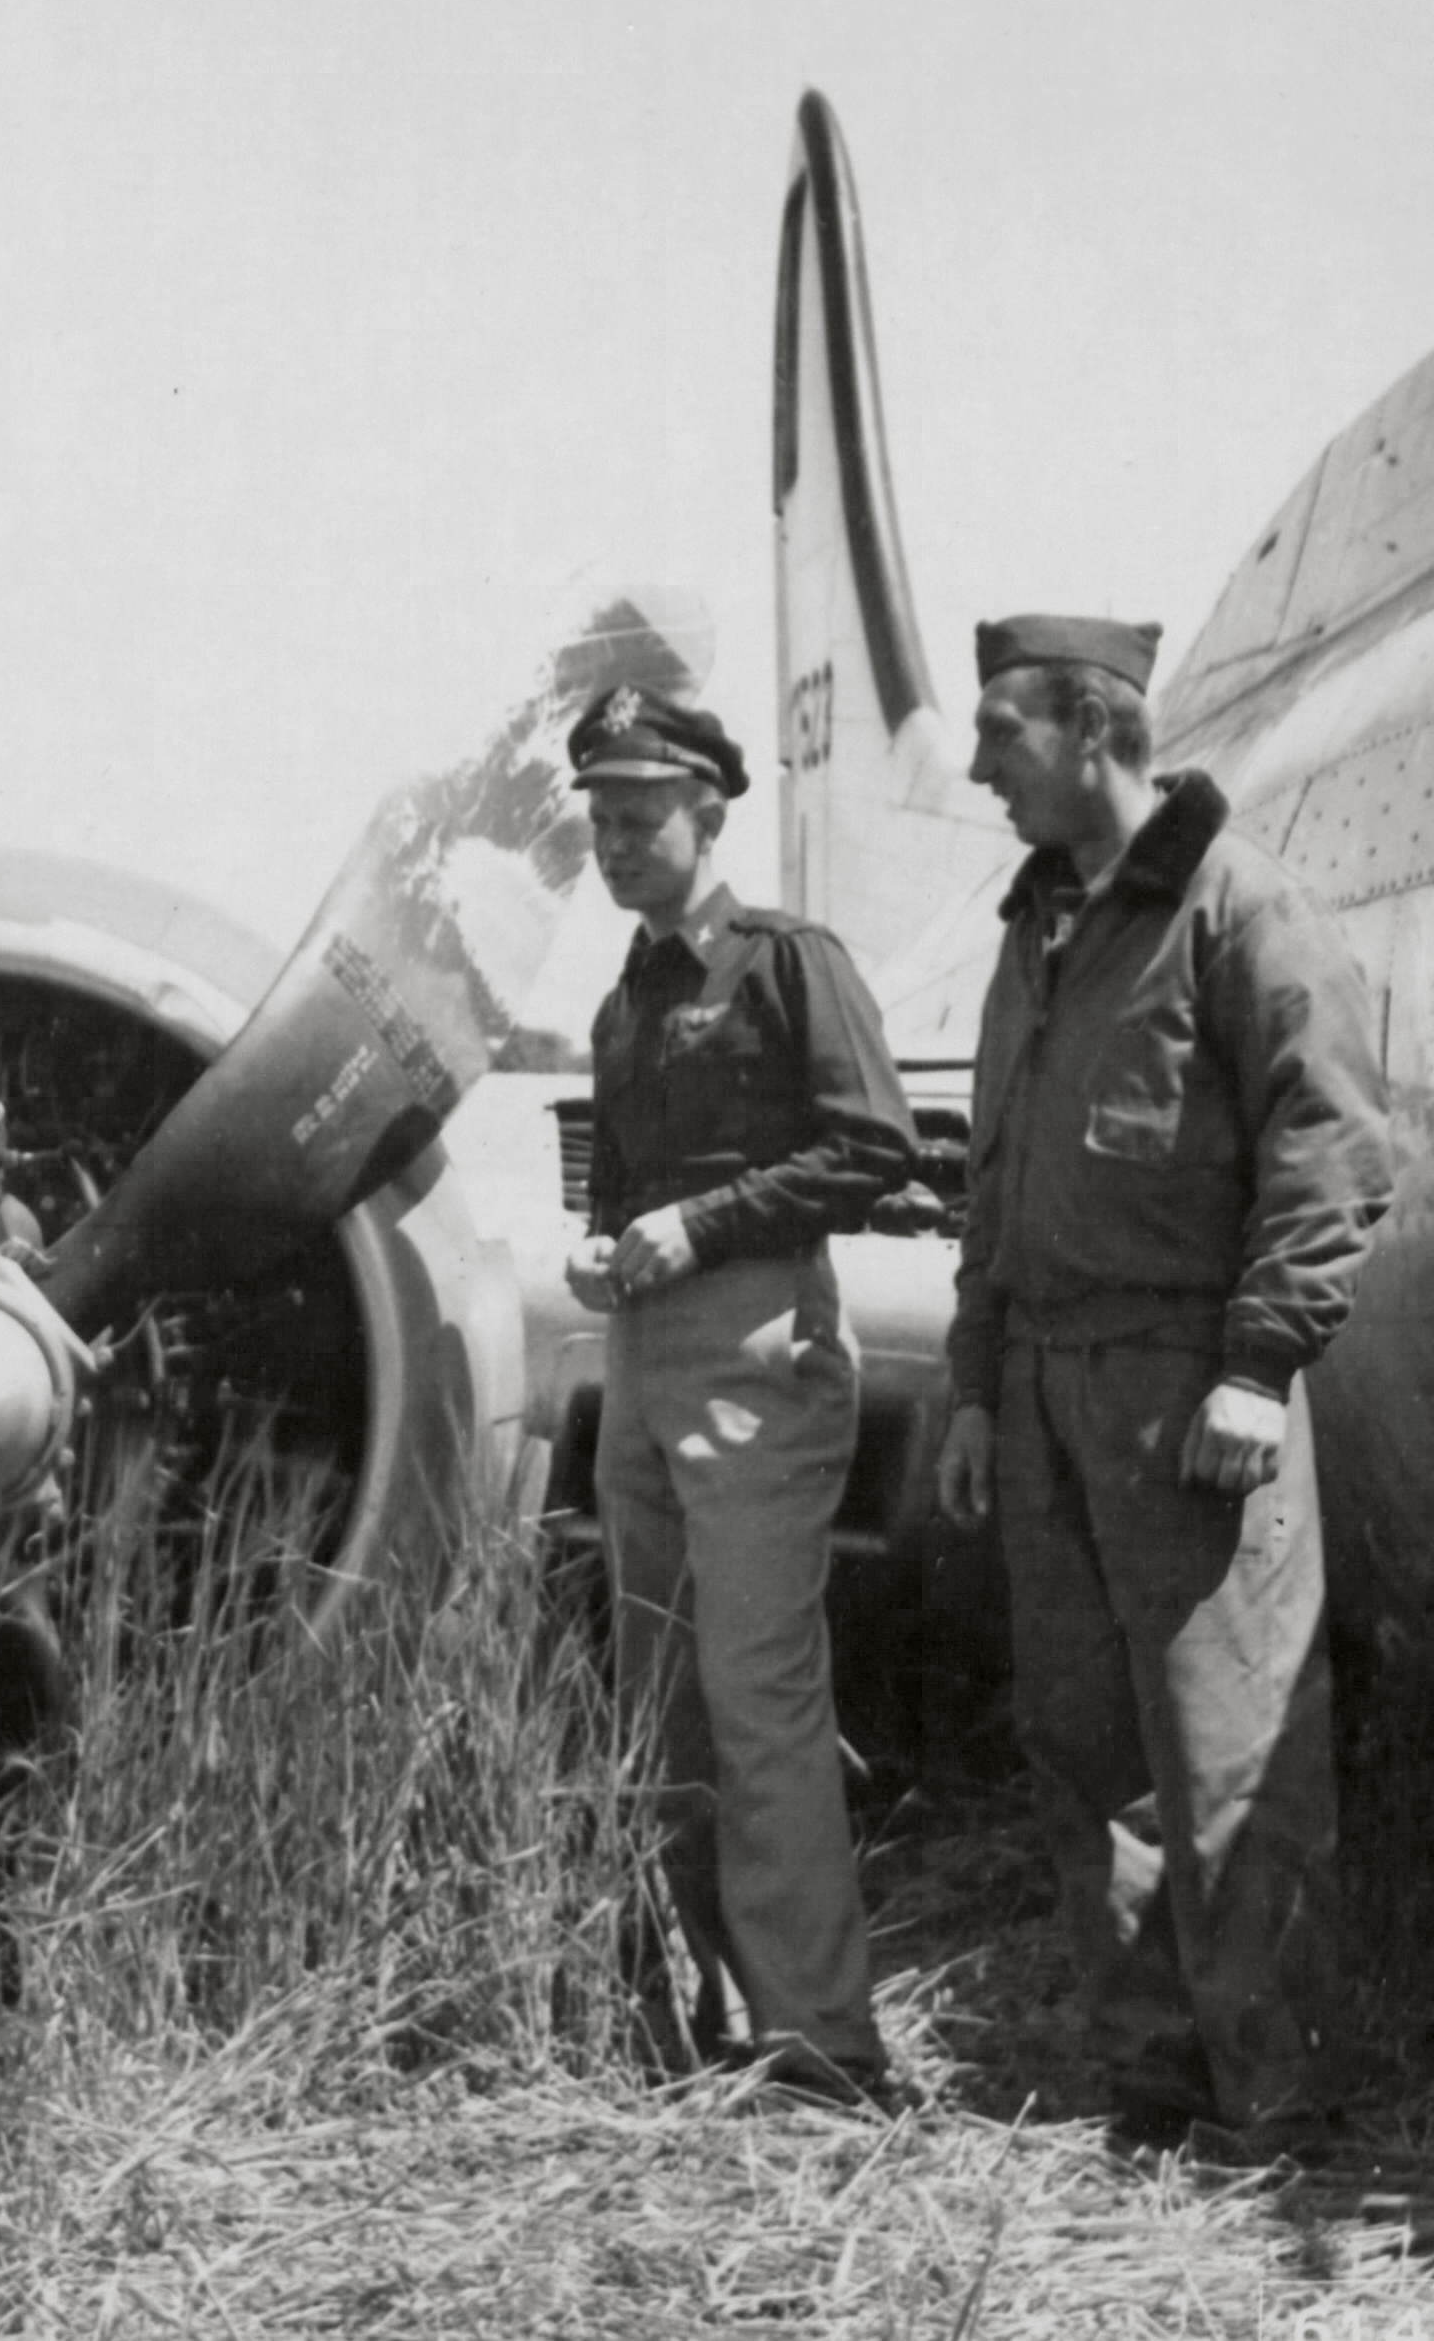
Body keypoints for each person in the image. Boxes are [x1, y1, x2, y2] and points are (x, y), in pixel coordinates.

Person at [931, 616, 1391, 2154]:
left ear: (1092, 727)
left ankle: (1282, 2105)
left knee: (1232, 1748)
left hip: (1191, 1390)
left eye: (1001, 732)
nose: (978, 766)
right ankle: (1159, 2091)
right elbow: (995, 1187)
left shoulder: (1238, 905)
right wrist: (977, 1386)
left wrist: (1258, 1367)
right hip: (1046, 1392)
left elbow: (1332, 1141)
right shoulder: (1036, 934)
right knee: (1087, 1746)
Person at [559, 684, 917, 2102]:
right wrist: (604, 1243)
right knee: (661, 1698)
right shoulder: (624, 1001)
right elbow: (619, 1182)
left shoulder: (785, 964)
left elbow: (873, 1147)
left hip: (757, 1349)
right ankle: (703, 2012)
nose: (613, 840)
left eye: (638, 815)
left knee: (759, 1698)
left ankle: (821, 2043)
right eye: (598, 818)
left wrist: (701, 1228)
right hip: (643, 1355)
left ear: (707, 813)